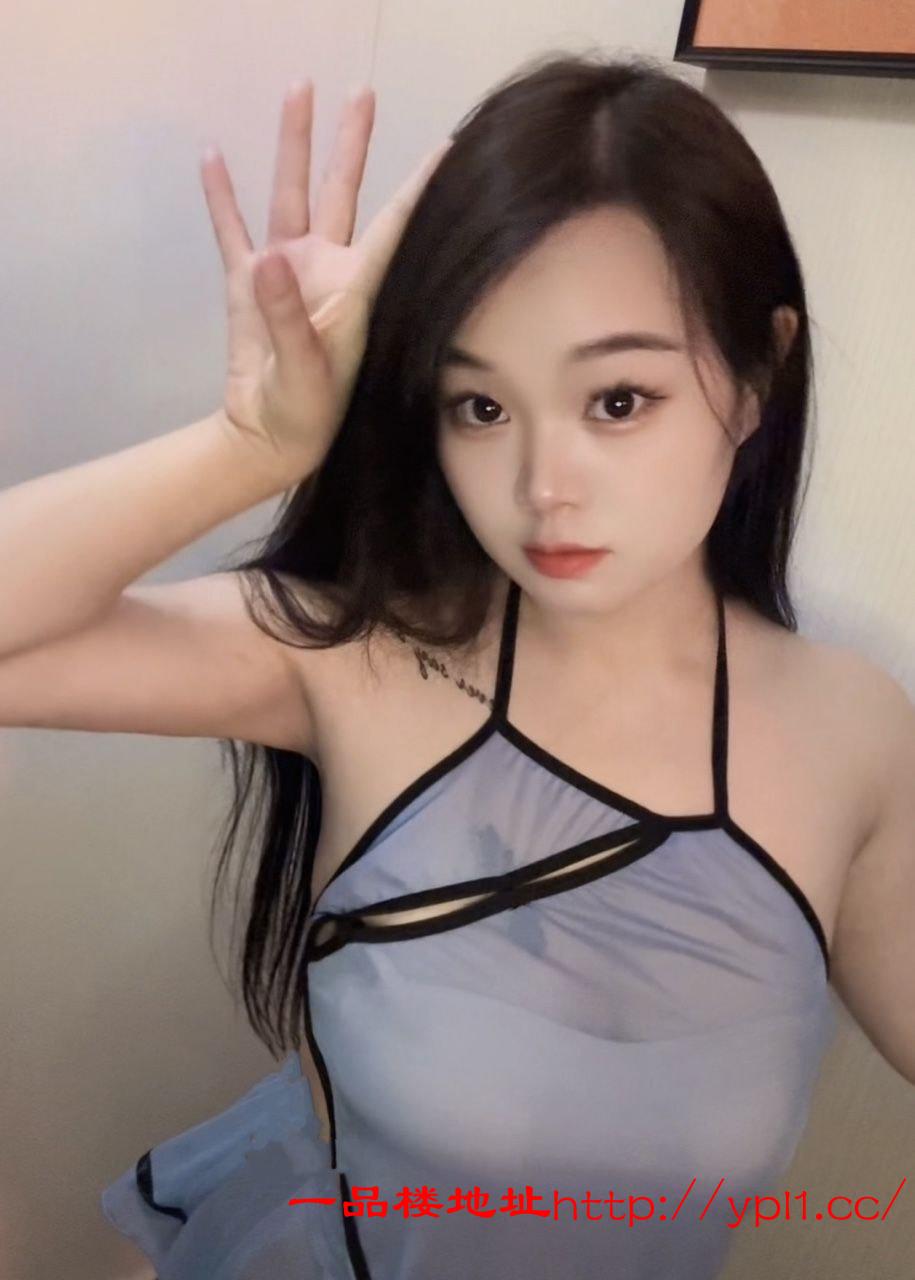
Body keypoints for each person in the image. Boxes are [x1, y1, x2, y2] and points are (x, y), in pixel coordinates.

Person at [2, 49, 912, 1280]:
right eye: (479, 406)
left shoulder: (851, 733)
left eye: (618, 400)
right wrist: (247, 450)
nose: (542, 486)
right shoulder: (365, 657)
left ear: (758, 375)